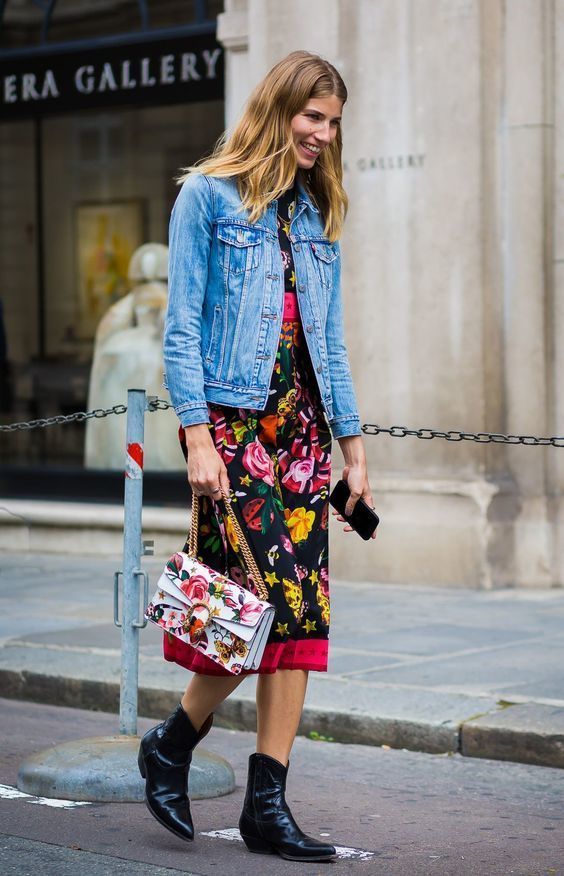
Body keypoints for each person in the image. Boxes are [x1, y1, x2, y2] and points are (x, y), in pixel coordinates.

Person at [138, 50, 377, 863]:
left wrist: (354, 449)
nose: (323, 133)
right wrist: (198, 436)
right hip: (236, 430)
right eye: (313, 116)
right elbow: (181, 329)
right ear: (278, 110)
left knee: (303, 615)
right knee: (261, 598)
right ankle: (173, 742)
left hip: (304, 435)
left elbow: (330, 344)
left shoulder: (315, 213)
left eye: (334, 121)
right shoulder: (206, 195)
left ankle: (264, 804)